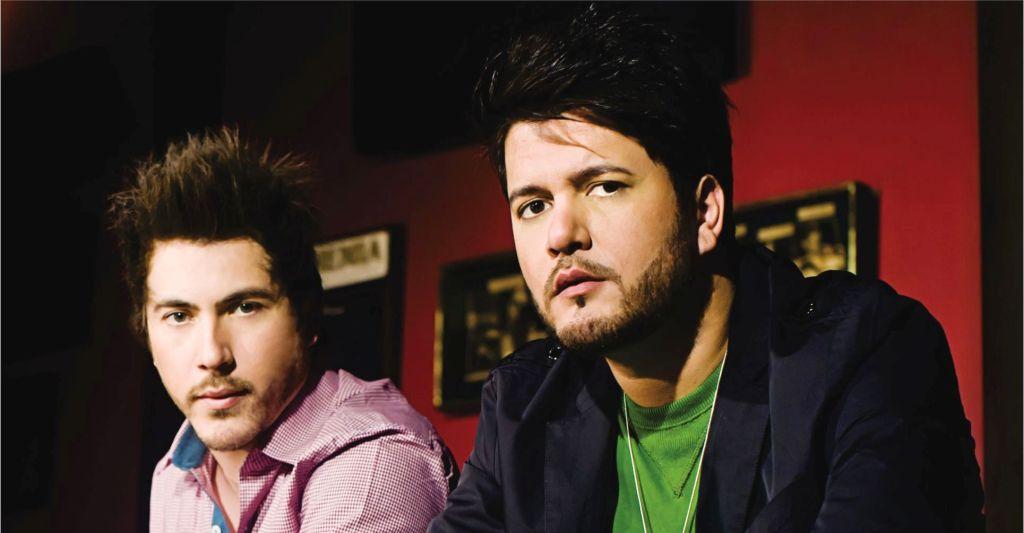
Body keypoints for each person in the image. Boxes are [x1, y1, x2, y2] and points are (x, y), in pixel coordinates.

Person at [430, 5, 983, 532]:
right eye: (533, 205)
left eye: (604, 186)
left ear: (703, 211)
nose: (560, 235)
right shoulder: (523, 406)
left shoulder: (865, 354)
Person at [110, 128, 456, 532]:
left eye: (245, 307)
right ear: (146, 332)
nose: (212, 355)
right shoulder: (176, 478)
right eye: (179, 316)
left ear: (305, 317)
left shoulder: (374, 462)